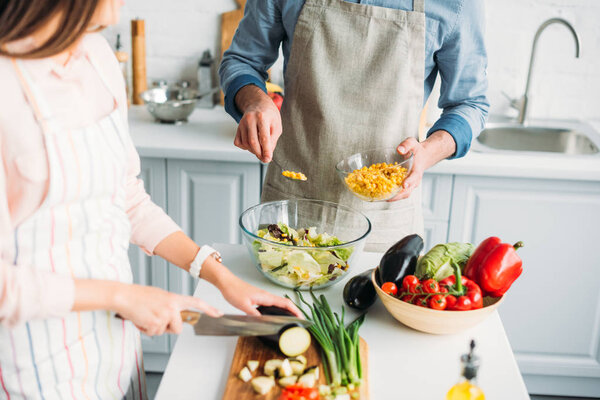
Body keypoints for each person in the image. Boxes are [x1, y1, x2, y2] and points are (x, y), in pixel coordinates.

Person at [0, 1, 300, 399]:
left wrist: (221, 278)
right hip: (34, 366)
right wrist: (123, 295)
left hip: (114, 346)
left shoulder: (96, 57)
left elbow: (127, 198)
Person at [220, 0, 489, 251]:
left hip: (385, 217)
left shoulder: (457, 4)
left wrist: (428, 152)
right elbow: (243, 60)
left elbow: (470, 104)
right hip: (293, 203)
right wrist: (255, 101)